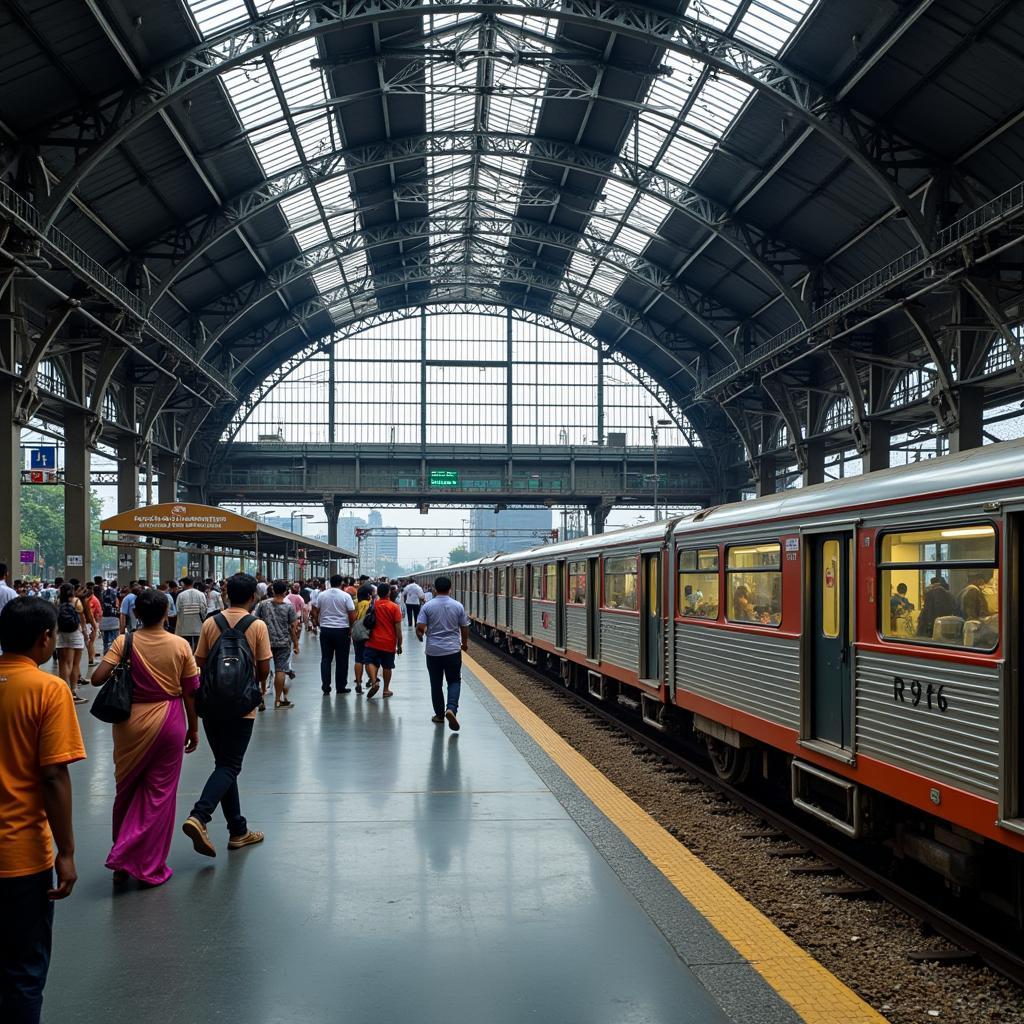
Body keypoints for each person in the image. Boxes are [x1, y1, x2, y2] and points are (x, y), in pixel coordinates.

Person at [0, 597, 85, 1024]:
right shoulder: (48, 689)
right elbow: (53, 777)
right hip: (18, 857)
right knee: (22, 972)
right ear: (45, 638)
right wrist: (66, 852)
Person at [89, 589, 200, 886]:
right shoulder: (179, 645)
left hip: (129, 724)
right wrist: (193, 728)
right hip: (169, 721)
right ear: (167, 613)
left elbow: (97, 678)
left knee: (126, 789)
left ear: (136, 613)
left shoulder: (125, 642)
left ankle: (121, 862)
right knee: (159, 796)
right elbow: (190, 692)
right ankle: (145, 863)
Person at [181, 573, 270, 858]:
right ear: (253, 597)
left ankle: (238, 830)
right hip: (242, 706)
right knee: (230, 766)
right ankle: (200, 815)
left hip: (211, 704)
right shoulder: (256, 625)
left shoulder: (210, 622)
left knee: (225, 764)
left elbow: (200, 663)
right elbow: (264, 667)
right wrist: (258, 685)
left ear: (227, 593)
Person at [415, 575, 469, 732]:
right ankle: (451, 708)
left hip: (433, 651)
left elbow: (420, 627)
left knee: (436, 683)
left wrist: (420, 634)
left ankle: (439, 715)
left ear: (434, 589)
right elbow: (464, 627)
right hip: (452, 650)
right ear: (450, 588)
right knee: (454, 681)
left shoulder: (427, 606)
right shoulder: (457, 606)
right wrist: (464, 644)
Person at [254, 581, 298, 710]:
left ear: (272, 590)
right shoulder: (289, 607)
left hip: (265, 641)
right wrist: (296, 644)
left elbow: (256, 621)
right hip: (283, 642)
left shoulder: (262, 604)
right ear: (285, 592)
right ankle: (278, 701)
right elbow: (293, 627)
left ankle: (261, 696)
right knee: (281, 670)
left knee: (263, 668)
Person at [311, 575, 355, 695]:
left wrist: (318, 622)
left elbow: (314, 610)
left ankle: (326, 686)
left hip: (326, 630)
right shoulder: (346, 596)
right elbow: (352, 614)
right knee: (342, 659)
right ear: (341, 583)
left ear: (330, 582)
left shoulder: (322, 595)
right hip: (342, 630)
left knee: (326, 659)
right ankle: (340, 686)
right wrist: (351, 627)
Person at [364, 583, 403, 699]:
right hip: (389, 642)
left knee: (369, 661)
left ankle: (374, 680)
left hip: (373, 640)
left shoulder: (374, 605)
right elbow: (398, 630)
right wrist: (399, 645)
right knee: (387, 666)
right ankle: (386, 690)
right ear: (389, 593)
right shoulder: (394, 607)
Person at [54, 583, 87, 703]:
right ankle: (73, 692)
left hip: (61, 634)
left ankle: (64, 690)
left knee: (63, 664)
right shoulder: (77, 601)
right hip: (75, 634)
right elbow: (82, 618)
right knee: (74, 664)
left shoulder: (57, 602)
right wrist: (85, 633)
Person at [351, 583, 374, 694]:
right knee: (368, 658)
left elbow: (351, 617)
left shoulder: (355, 603)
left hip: (356, 633)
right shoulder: (370, 604)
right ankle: (373, 680)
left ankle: (358, 683)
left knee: (358, 658)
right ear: (368, 594)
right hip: (367, 633)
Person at [174, 577, 208, 651]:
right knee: (198, 647)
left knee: (186, 646)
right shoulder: (201, 594)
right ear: (193, 583)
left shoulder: (181, 595)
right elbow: (204, 609)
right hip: (198, 625)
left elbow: (177, 609)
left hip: (184, 626)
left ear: (183, 584)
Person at [99, 581, 121, 654]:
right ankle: (114, 654)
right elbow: (117, 606)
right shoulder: (115, 596)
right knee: (115, 640)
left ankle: (106, 653)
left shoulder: (103, 596)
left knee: (105, 640)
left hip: (104, 620)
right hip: (114, 620)